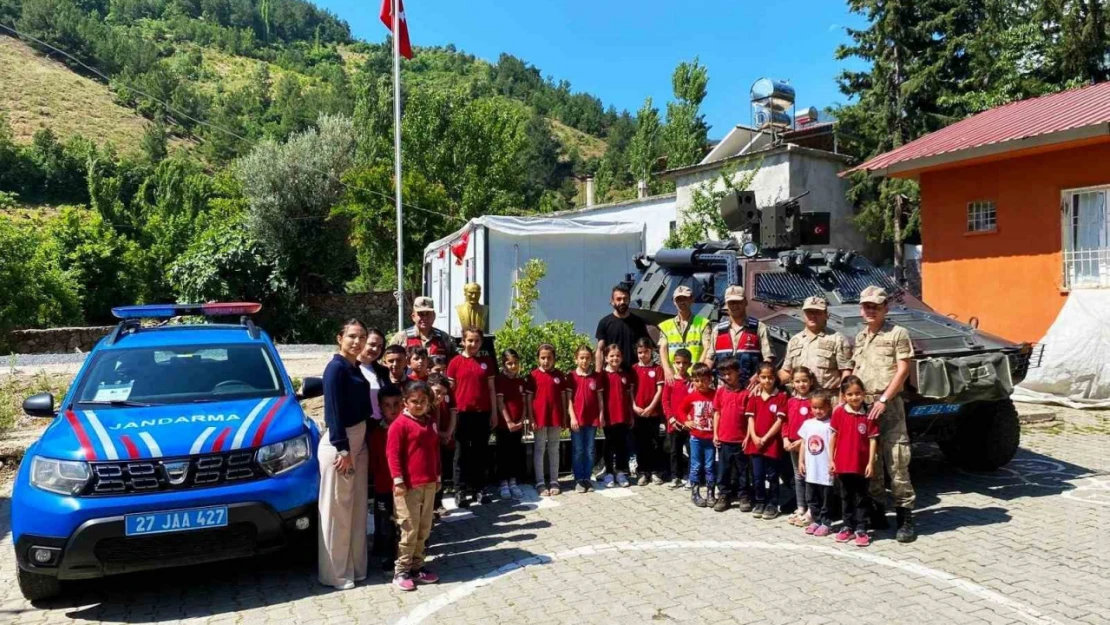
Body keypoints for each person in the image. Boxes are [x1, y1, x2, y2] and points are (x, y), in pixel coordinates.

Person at [853, 285, 917, 543]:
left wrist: (883, 399)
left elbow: (903, 370)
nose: (870, 310)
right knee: (873, 462)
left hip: (888, 406)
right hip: (866, 406)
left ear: (885, 308)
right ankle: (878, 512)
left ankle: (906, 518)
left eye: (875, 307)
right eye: (866, 306)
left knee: (897, 461)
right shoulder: (860, 337)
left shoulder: (897, 334)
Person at [318, 319, 372, 590]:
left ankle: (355, 568)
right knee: (337, 512)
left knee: (356, 511)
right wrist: (343, 448)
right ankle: (336, 574)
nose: (357, 341)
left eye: (361, 336)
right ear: (340, 338)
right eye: (352, 336)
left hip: (359, 442)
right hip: (342, 446)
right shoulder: (335, 369)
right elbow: (333, 413)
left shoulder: (355, 367)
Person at [387, 381, 442, 590]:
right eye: (414, 401)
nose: (418, 405)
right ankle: (401, 570)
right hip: (408, 486)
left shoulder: (430, 422)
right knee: (409, 528)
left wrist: (437, 477)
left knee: (424, 527)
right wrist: (398, 481)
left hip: (429, 483)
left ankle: (417, 567)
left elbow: (435, 452)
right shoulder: (399, 425)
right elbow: (393, 455)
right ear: (405, 403)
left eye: (423, 401)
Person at [445, 327, 497, 508]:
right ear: (463, 341)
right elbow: (450, 391)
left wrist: (494, 413)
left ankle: (479, 489)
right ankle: (460, 490)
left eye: (476, 341)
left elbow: (491, 390)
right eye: (469, 340)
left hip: (482, 414)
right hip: (462, 415)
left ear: (481, 342)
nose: (473, 344)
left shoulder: (487, 362)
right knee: (461, 455)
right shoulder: (455, 363)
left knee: (480, 454)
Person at [830, 376, 879, 547]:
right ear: (843, 396)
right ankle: (847, 526)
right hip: (843, 464)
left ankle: (861, 528)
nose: (854, 397)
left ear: (864, 393)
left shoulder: (869, 414)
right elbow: (833, 437)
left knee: (861, 496)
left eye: (858, 393)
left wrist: (870, 463)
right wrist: (832, 460)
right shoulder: (839, 412)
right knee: (845, 496)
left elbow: (873, 440)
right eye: (850, 394)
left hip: (861, 465)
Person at [779, 296, 854, 392]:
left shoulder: (837, 339)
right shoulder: (795, 341)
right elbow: (787, 372)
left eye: (817, 312)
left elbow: (846, 372)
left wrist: (842, 399)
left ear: (826, 315)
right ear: (803, 314)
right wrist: (766, 384)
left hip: (827, 400)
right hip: (801, 401)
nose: (813, 316)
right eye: (809, 312)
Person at [705, 286, 773, 386]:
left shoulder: (759, 328)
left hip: (750, 387)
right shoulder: (718, 330)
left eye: (738, 302)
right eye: (731, 302)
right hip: (723, 390)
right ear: (726, 304)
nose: (734, 306)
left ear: (745, 302)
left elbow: (769, 359)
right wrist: (702, 376)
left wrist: (757, 377)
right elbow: (709, 359)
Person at [744, 362, 786, 520]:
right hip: (756, 443)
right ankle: (760, 501)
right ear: (758, 378)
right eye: (763, 377)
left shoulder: (781, 397)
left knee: (773, 475)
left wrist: (766, 437)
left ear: (775, 378)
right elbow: (750, 418)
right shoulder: (754, 397)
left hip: (772, 443)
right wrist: (754, 437)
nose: (767, 381)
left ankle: (773, 504)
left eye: (770, 377)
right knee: (757, 475)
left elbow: (779, 421)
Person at [369, 385, 403, 572]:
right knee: (385, 524)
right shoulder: (377, 433)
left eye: (396, 404)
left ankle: (406, 554)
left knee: (404, 522)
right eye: (387, 405)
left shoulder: (407, 428)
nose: (392, 409)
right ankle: (387, 555)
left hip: (405, 487)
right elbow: (374, 461)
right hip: (384, 487)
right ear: (380, 407)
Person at [712, 357, 750, 513]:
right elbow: (717, 413)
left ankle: (744, 496)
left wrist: (748, 437)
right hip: (724, 439)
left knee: (743, 470)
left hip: (741, 440)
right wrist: (715, 434)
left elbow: (750, 418)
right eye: (724, 374)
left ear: (738, 372)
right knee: (723, 470)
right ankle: (724, 495)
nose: (727, 377)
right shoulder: (720, 392)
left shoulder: (746, 393)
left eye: (730, 373)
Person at [797, 390, 835, 537]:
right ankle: (816, 519)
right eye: (815, 407)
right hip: (811, 469)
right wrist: (801, 461)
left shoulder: (831, 425)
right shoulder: (808, 424)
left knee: (826, 498)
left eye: (821, 408)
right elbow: (803, 443)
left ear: (828, 407)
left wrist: (832, 462)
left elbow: (833, 445)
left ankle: (826, 522)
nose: (818, 411)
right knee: (812, 497)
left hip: (825, 470)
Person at [529, 343, 565, 496]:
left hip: (555, 418)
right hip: (539, 418)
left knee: (554, 449)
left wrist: (564, 416)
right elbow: (529, 399)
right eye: (542, 358)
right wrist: (531, 418)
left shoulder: (559, 375)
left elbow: (563, 398)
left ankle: (554, 480)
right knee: (539, 449)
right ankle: (540, 482)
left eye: (549, 358)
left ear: (554, 359)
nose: (546, 361)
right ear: (538, 359)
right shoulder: (533, 376)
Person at [567, 345, 604, 493]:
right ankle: (578, 479)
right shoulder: (571, 376)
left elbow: (600, 399)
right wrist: (572, 418)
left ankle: (587, 477)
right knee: (578, 450)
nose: (584, 360)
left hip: (592, 420)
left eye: (587, 358)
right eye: (581, 357)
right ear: (576, 359)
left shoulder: (596, 377)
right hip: (577, 420)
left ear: (591, 359)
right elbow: (568, 400)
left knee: (589, 449)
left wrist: (601, 416)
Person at [657, 285, 712, 383]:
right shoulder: (666, 326)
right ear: (674, 302)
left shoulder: (703, 323)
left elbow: (707, 347)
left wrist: (697, 372)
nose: (682, 302)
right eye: (678, 299)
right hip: (674, 377)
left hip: (696, 378)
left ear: (691, 300)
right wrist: (667, 370)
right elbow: (663, 348)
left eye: (685, 298)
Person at [680, 363, 716, 507]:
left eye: (704, 380)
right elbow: (681, 410)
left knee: (710, 465)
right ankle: (695, 493)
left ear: (710, 379)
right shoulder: (691, 396)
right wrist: (686, 421)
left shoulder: (715, 395)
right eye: (697, 380)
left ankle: (710, 492)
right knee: (696, 465)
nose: (701, 384)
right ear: (693, 381)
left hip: (711, 437)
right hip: (696, 437)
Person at [631, 337, 666, 486]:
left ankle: (655, 471)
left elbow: (659, 391)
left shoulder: (657, 369)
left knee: (655, 443)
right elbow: (630, 391)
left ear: (651, 351)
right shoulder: (633, 369)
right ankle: (643, 472)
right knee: (641, 444)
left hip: (653, 413)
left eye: (645, 352)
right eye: (640, 352)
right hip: (638, 414)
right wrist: (634, 406)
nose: (643, 355)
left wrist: (651, 407)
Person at [595, 284, 652, 373]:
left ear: (629, 300)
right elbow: (600, 350)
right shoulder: (604, 323)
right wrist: (598, 373)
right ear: (612, 301)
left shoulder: (638, 322)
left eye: (625, 299)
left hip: (635, 374)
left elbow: (646, 347)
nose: (622, 302)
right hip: (612, 374)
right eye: (618, 299)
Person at [494, 349, 528, 500]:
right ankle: (503, 483)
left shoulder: (521, 381)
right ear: (503, 364)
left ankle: (513, 482)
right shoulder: (500, 380)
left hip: (518, 424)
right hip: (504, 425)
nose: (513, 366)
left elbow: (524, 403)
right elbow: (500, 402)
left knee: (515, 453)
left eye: (515, 363)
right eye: (509, 363)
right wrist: (508, 421)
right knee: (503, 454)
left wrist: (521, 420)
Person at [783, 367, 814, 526]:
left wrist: (801, 442)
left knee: (810, 477)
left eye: (804, 381)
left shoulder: (814, 402)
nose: (801, 384)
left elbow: (815, 426)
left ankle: (811, 510)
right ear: (792, 383)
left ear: (811, 382)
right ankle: (801, 506)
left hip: (808, 446)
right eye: (797, 381)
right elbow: (786, 422)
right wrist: (785, 439)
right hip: (792, 445)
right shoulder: (790, 402)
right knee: (798, 476)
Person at [601, 345, 635, 488]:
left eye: (618, 356)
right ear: (606, 358)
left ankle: (621, 472)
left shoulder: (625, 376)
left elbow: (629, 398)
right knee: (609, 445)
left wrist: (631, 415)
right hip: (609, 417)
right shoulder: (602, 376)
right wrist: (601, 415)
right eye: (612, 356)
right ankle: (608, 473)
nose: (615, 358)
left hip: (623, 416)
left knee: (622, 445)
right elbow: (600, 398)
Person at [663, 349, 694, 489]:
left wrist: (690, 420)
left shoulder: (692, 382)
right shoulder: (670, 381)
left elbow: (695, 402)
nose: (681, 366)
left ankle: (690, 476)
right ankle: (675, 476)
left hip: (688, 425)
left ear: (690, 364)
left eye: (685, 363)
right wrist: (671, 419)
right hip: (674, 424)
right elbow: (665, 402)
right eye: (678, 363)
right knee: (675, 452)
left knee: (691, 451)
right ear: (674, 363)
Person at [390, 296, 457, 359]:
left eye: (428, 314)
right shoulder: (401, 338)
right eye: (421, 314)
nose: (425, 318)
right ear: (413, 317)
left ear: (434, 316)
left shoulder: (444, 338)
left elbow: (455, 362)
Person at [427, 373, 455, 517]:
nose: (440, 397)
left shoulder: (436, 406)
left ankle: (434, 506)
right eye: (437, 392)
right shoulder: (420, 405)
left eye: (443, 394)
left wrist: (442, 435)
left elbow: (435, 427)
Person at [357, 328, 394, 422]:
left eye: (380, 346)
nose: (376, 349)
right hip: (359, 426)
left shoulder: (383, 371)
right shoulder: (349, 369)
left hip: (380, 426)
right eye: (372, 344)